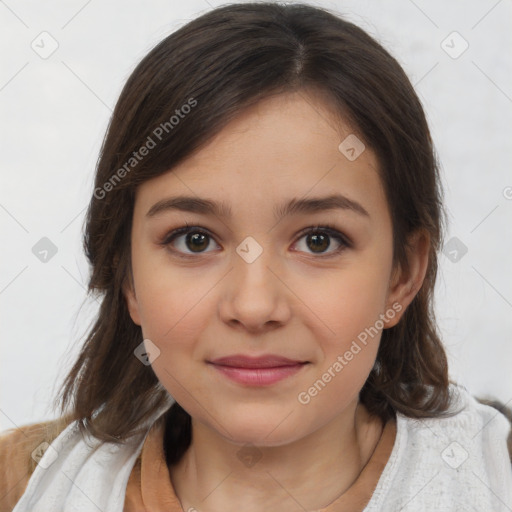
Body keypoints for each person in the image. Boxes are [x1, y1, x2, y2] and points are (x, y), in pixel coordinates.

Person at [1, 2, 511, 511]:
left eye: (319, 240)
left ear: (403, 275)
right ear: (127, 276)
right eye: (194, 240)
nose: (253, 306)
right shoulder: (21, 482)